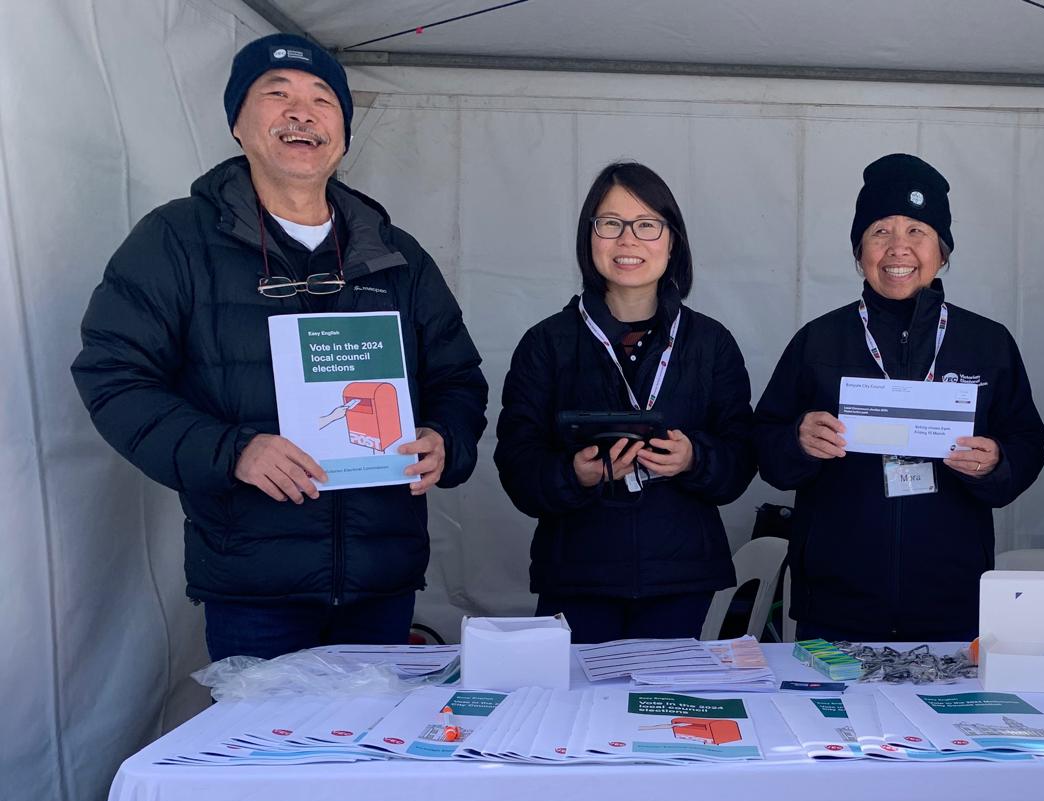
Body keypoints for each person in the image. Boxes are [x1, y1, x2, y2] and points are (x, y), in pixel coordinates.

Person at [73, 34, 487, 661]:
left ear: (343, 132)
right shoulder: (175, 242)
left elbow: (457, 377)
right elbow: (114, 376)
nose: (302, 113)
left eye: (323, 100)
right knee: (264, 757)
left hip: (382, 578)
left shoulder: (394, 252)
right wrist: (230, 451)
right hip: (252, 587)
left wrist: (444, 441)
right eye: (277, 95)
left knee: (375, 751)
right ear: (237, 122)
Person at [753, 154, 1044, 643]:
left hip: (951, 599)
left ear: (943, 251)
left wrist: (997, 462)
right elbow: (763, 446)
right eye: (880, 232)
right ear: (859, 250)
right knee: (835, 720)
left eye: (917, 231)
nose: (898, 248)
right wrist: (797, 441)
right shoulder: (819, 341)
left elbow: (1027, 443)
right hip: (835, 601)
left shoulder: (986, 342)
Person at [495, 162, 755, 643]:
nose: (628, 240)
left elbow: (742, 458)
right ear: (589, 237)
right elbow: (516, 463)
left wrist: (695, 458)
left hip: (679, 578)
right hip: (576, 574)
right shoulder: (547, 343)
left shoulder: (710, 343)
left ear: (672, 239)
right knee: (577, 715)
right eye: (610, 224)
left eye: (647, 225)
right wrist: (575, 475)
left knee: (662, 713)